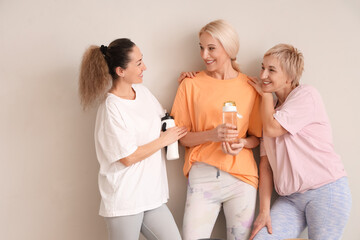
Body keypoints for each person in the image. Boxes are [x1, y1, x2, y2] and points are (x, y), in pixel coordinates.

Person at [78, 38, 187, 240]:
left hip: (152, 197)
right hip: (125, 201)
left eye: (142, 60)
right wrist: (164, 140)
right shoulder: (111, 108)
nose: (144, 67)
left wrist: (189, 83)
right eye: (138, 63)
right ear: (120, 71)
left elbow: (166, 120)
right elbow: (127, 157)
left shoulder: (144, 93)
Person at [244, 43, 352, 240]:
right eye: (263, 67)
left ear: (289, 77)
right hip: (291, 200)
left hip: (326, 191)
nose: (263, 75)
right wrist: (264, 212)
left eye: (271, 70)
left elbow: (272, 129)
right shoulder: (268, 111)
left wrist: (265, 95)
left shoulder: (306, 95)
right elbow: (266, 165)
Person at [171, 19, 262, 240]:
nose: (204, 55)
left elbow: (256, 138)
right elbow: (181, 138)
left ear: (229, 49)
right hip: (202, 175)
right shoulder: (190, 84)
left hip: (242, 178)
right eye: (201, 47)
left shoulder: (250, 87)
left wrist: (243, 143)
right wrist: (212, 134)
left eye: (211, 48)